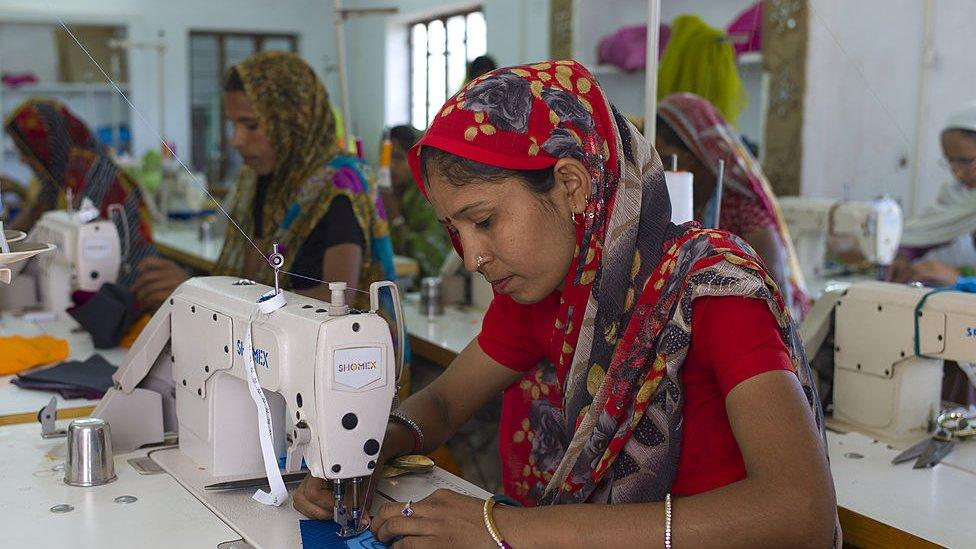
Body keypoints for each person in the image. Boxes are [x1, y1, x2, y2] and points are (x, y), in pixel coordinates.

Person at [294, 61, 837, 547]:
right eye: (454, 229)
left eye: (483, 221)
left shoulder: (711, 291)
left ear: (571, 185)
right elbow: (441, 405)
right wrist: (363, 454)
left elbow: (801, 509)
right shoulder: (545, 292)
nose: (471, 256)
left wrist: (504, 529)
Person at [133, 51, 396, 311]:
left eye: (251, 125)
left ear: (293, 122)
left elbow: (335, 305)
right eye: (233, 125)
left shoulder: (342, 187)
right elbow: (253, 280)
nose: (236, 140)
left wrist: (199, 292)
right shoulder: (266, 181)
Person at [656, 92, 810, 319]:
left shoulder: (742, 209)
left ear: (700, 154)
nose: (662, 170)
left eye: (668, 160)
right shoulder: (682, 201)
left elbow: (777, 293)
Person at [4, 98, 157, 285]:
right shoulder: (59, 175)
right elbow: (34, 214)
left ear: (43, 146)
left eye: (25, 151)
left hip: (131, 284)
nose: (23, 160)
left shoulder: (92, 174)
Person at [890, 101, 976, 287]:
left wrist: (960, 280)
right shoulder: (958, 196)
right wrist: (902, 257)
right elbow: (927, 233)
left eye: (965, 161)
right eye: (950, 161)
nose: (957, 172)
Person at [382, 125, 451, 277]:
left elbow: (433, 260)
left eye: (399, 158)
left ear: (416, 159)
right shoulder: (382, 194)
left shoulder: (429, 197)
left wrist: (396, 218)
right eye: (386, 158)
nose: (390, 166)